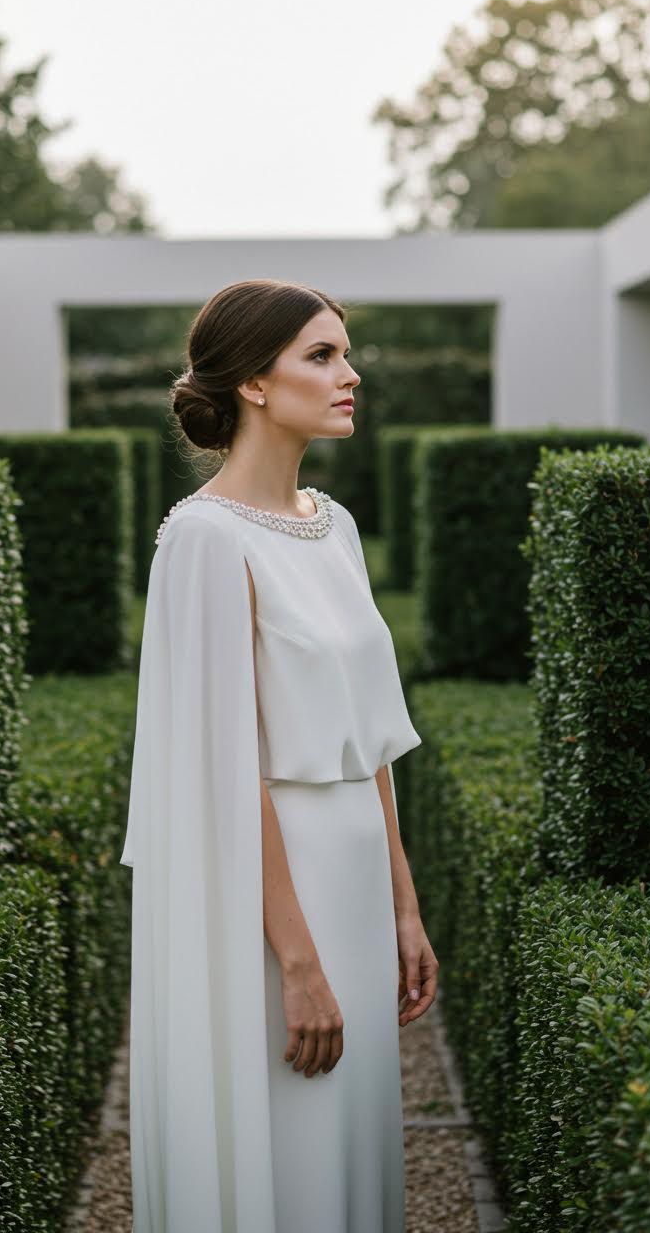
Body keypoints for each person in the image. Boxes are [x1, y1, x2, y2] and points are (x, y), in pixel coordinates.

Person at [119, 278, 439, 1233]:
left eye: (346, 353)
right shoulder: (206, 539)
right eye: (322, 355)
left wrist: (404, 906)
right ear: (253, 383)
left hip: (353, 864)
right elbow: (226, 771)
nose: (351, 376)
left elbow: (372, 732)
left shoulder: (332, 525)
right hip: (270, 890)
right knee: (285, 1132)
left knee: (350, 1133)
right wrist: (296, 962)